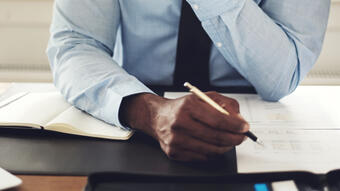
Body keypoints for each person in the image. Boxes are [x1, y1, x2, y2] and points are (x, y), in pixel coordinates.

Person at [47, 0, 330, 161]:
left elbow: (283, 75)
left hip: (252, 126)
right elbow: (75, 45)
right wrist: (149, 112)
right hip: (132, 113)